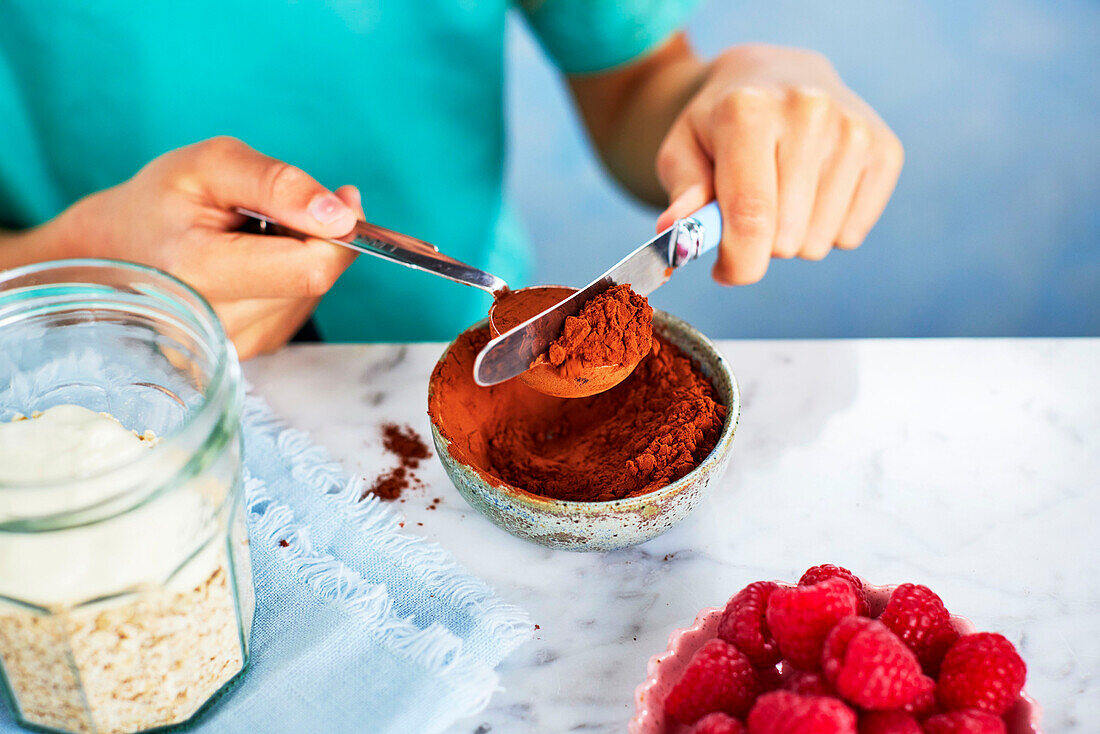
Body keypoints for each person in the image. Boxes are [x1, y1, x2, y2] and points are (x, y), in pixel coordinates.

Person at [0, 2, 902, 358]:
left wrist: (735, 94)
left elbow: (634, 84)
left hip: (445, 356)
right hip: (61, 403)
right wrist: (58, 274)